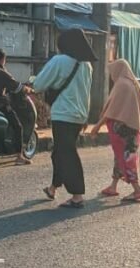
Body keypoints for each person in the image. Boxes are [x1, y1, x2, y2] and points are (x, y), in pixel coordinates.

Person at [32, 28, 96, 209]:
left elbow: (39, 84)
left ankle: (77, 196)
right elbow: (86, 94)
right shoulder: (87, 65)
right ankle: (53, 188)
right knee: (60, 151)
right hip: (79, 115)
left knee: (67, 153)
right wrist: (85, 116)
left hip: (63, 114)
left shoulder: (59, 61)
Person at [89, 59, 140, 202]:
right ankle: (113, 186)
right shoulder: (135, 84)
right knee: (121, 156)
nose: (111, 75)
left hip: (122, 128)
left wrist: (97, 126)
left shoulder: (121, 85)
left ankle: (137, 190)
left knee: (127, 158)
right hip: (134, 128)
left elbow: (111, 111)